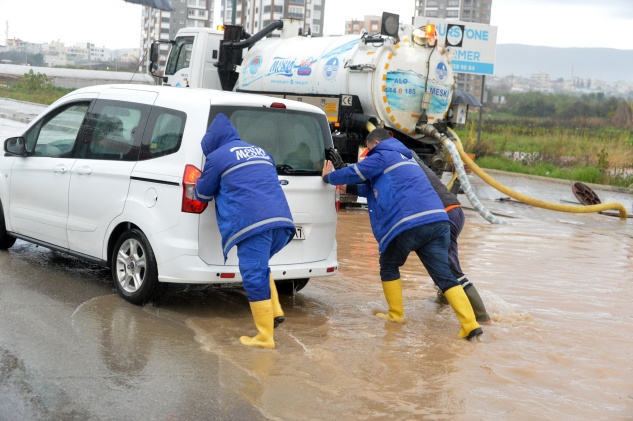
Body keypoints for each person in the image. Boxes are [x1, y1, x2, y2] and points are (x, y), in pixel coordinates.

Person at [321, 128, 483, 340]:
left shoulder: (382, 154)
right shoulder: (406, 158)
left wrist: (329, 177)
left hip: (408, 223)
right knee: (443, 275)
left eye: (369, 149)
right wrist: (347, 188)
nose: (369, 153)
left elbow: (356, 173)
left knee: (388, 265)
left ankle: (396, 315)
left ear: (375, 143)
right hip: (437, 222)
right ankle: (470, 324)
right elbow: (372, 188)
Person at [194, 113, 296, 349]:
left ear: (211, 144)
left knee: (252, 274)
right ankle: (275, 311)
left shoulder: (217, 157)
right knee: (260, 268)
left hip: (253, 224)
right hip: (282, 222)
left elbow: (202, 193)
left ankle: (265, 337)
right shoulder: (260, 151)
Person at [410, 151, 492, 325]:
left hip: (445, 215)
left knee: (451, 268)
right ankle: (444, 303)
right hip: (450, 211)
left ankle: (483, 318)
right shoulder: (410, 157)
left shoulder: (399, 161)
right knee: (438, 262)